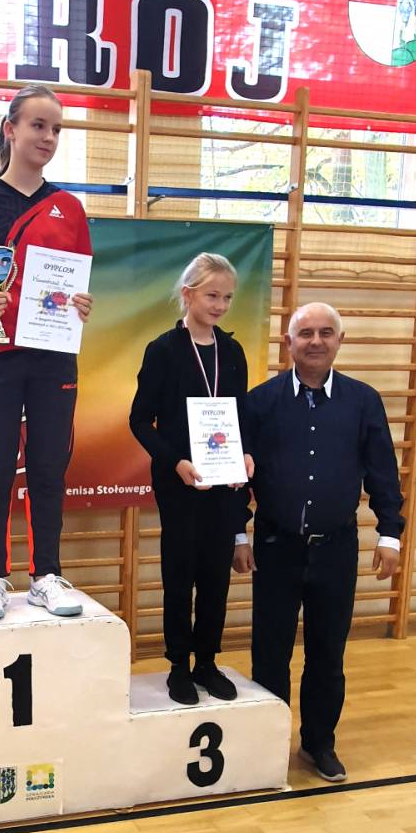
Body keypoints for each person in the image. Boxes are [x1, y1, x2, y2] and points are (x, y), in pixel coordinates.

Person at [234, 302, 403, 783]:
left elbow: (383, 473)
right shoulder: (260, 403)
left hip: (336, 548)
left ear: (339, 341)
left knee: (327, 652)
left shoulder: (363, 401)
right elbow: (237, 475)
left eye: (326, 333)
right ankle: (269, 745)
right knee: (270, 652)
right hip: (275, 546)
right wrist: (238, 532)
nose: (315, 341)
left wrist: (390, 534)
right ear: (288, 342)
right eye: (305, 333)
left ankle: (318, 744)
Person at [0, 84, 94, 622]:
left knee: (49, 467)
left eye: (56, 129)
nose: (48, 137)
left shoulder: (69, 208)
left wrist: (80, 303)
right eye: (38, 125)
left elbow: (75, 284)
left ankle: (46, 575)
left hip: (54, 355)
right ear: (11, 129)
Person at [129, 253, 253, 705]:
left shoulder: (232, 352)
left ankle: (207, 662)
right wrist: (175, 461)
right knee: (180, 574)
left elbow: (240, 416)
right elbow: (140, 421)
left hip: (224, 483)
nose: (220, 305)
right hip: (179, 483)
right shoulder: (163, 350)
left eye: (227, 298)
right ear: (188, 294)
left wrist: (245, 455)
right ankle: (179, 666)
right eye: (212, 295)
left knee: (216, 575)